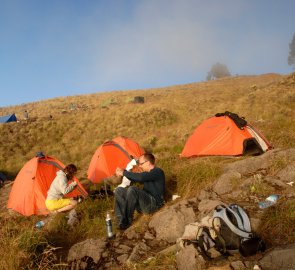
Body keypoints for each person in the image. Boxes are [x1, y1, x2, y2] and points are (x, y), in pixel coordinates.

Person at [114, 153, 166, 230]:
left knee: (132, 189)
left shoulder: (157, 171)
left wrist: (123, 173)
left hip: (154, 205)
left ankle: (127, 221)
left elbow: (141, 178)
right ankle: (121, 220)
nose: (140, 166)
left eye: (141, 163)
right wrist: (123, 171)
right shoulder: (147, 174)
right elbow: (136, 178)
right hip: (144, 204)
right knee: (119, 190)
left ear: (148, 163)